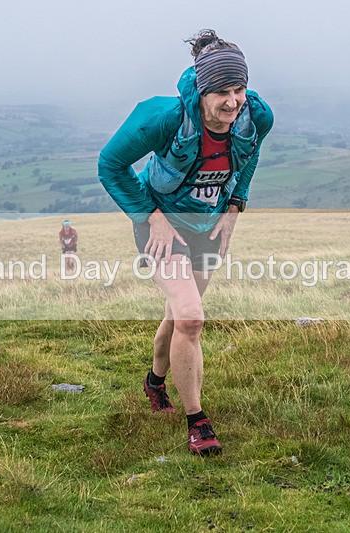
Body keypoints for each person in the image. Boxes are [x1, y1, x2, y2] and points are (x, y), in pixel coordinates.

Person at [98, 29, 273, 456]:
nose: (232, 102)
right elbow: (110, 164)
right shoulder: (162, 118)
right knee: (192, 318)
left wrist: (235, 208)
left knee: (180, 317)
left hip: (208, 224)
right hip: (162, 225)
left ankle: (154, 382)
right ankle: (198, 423)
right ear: (200, 89)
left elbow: (248, 160)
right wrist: (151, 216)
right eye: (221, 92)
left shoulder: (257, 116)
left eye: (239, 89)